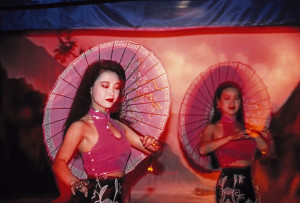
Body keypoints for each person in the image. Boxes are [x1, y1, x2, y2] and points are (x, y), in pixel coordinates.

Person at [52, 60, 160, 203]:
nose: (112, 92)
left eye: (117, 87)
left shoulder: (120, 126)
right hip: (96, 197)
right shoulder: (80, 126)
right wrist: (73, 181)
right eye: (105, 86)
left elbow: (154, 151)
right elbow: (59, 162)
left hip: (120, 196)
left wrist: (152, 143)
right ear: (91, 88)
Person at [198, 81, 272, 203]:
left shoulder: (246, 128)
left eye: (236, 98)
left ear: (240, 102)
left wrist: (258, 136)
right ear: (218, 102)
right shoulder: (213, 128)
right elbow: (203, 149)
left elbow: (267, 150)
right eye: (227, 98)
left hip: (252, 181)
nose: (232, 102)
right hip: (230, 182)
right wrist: (229, 138)